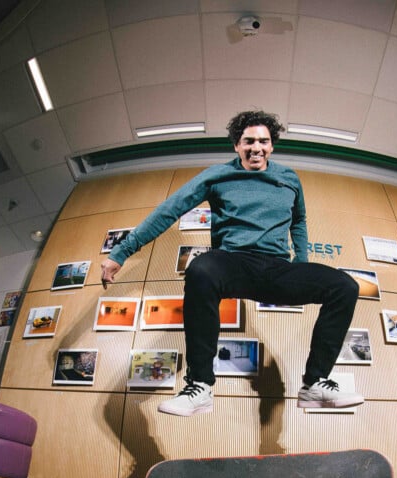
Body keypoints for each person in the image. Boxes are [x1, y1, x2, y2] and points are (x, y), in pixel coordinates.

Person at [101, 110, 364, 417]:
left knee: (345, 286)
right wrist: (120, 253)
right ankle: (199, 385)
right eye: (248, 141)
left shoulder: (289, 178)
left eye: (264, 141)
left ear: (272, 145)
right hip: (233, 262)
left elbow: (299, 220)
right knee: (201, 269)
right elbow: (168, 211)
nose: (257, 148)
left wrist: (301, 264)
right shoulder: (217, 176)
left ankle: (315, 383)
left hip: (278, 267)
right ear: (237, 146)